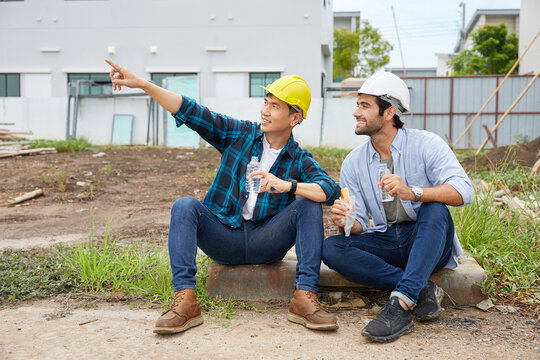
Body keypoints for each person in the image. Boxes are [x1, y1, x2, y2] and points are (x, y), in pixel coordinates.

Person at [104, 59, 341, 334]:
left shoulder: (299, 159)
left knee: (308, 204)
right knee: (185, 206)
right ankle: (185, 301)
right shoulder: (239, 134)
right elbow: (193, 112)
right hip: (224, 237)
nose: (265, 111)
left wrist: (287, 185)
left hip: (267, 241)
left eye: (275, 106)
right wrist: (144, 84)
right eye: (266, 102)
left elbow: (330, 190)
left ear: (294, 118)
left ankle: (304, 298)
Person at [322, 71, 474, 342]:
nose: (356, 112)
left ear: (389, 112)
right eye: (358, 104)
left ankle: (399, 306)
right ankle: (420, 287)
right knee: (332, 247)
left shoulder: (427, 144)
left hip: (428, 240)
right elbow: (357, 225)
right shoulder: (353, 163)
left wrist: (413, 192)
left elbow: (465, 191)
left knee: (435, 207)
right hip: (388, 240)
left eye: (364, 105)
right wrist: (346, 221)